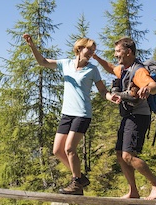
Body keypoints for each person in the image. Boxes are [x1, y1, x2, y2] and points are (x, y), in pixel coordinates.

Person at [23, 33, 109, 195]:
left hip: (82, 113)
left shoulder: (93, 69)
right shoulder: (66, 64)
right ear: (79, 48)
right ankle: (80, 178)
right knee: (57, 151)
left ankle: (76, 183)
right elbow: (42, 62)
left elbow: (102, 90)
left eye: (94, 51)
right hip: (67, 114)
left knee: (69, 148)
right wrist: (32, 46)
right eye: (89, 49)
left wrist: (111, 97)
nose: (92, 53)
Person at [94, 37, 156, 200]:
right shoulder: (124, 69)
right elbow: (111, 68)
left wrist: (147, 89)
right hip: (128, 116)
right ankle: (133, 190)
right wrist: (96, 57)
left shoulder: (138, 71)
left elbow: (154, 86)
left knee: (128, 156)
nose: (115, 54)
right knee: (120, 154)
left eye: (118, 51)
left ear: (128, 52)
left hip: (138, 116)